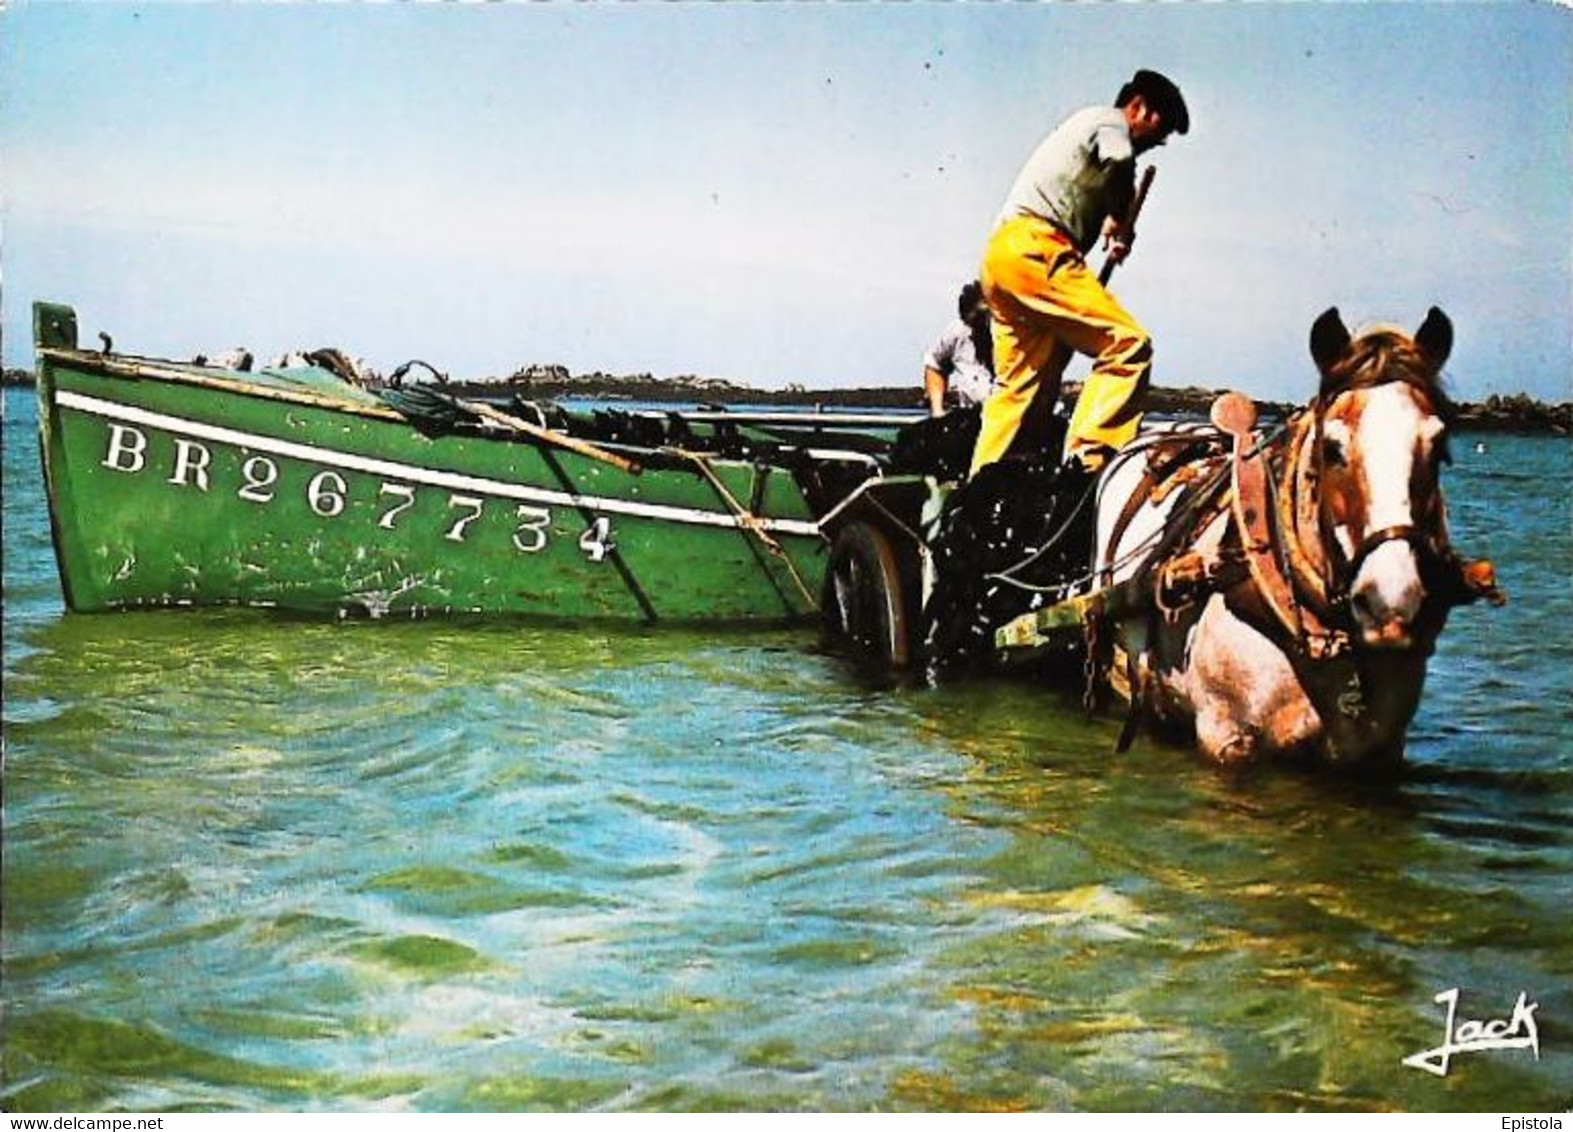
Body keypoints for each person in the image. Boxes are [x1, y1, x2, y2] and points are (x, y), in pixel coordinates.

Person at [968, 69, 1189, 477]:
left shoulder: (1086, 133)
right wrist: (1121, 217)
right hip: (1038, 248)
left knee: (1024, 387)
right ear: (1137, 106)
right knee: (1128, 347)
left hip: (1003, 257)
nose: (1156, 144)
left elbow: (1105, 172)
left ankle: (981, 489)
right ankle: (1086, 467)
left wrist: (1110, 221)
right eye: (1158, 130)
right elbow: (1120, 158)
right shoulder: (1109, 121)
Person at [923, 280, 995, 416]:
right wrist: (938, 410)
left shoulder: (1022, 336)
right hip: (971, 419)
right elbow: (934, 365)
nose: (980, 326)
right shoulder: (959, 331)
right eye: (974, 322)